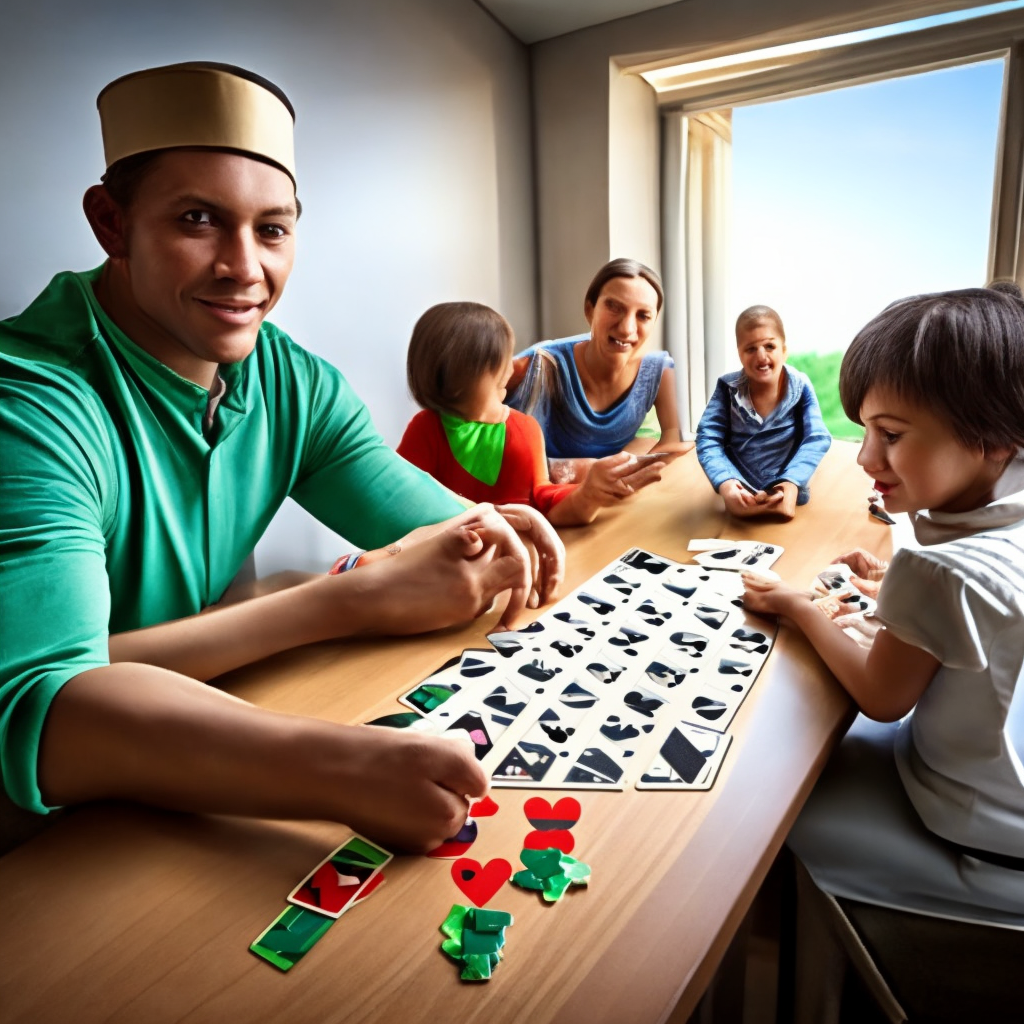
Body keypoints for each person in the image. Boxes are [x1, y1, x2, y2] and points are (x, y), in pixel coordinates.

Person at [0, 62, 565, 855]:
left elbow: (439, 528)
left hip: (194, 775)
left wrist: (499, 527)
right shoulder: (27, 401)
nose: (245, 268)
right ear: (111, 224)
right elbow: (44, 709)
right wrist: (339, 608)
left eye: (272, 229)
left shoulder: (289, 379)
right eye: (198, 219)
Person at [742, 288, 1024, 927]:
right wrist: (893, 586)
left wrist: (798, 607)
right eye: (867, 430)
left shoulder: (937, 570)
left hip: (978, 822)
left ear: (996, 439)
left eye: (891, 434)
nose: (866, 457)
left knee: (767, 782)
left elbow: (882, 696)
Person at [397, 301, 667, 526]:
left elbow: (544, 501)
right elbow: (403, 503)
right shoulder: (426, 429)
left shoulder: (525, 429)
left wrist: (589, 496)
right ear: (455, 375)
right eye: (496, 363)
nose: (508, 369)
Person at [504, 258, 692, 481]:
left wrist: (627, 474)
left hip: (606, 500)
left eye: (643, 315)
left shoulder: (658, 370)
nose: (626, 328)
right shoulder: (538, 364)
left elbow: (674, 441)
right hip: (536, 498)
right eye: (614, 307)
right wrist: (590, 470)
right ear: (589, 309)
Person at [695, 305, 831, 520]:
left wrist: (792, 482)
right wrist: (726, 483)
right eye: (750, 349)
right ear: (739, 354)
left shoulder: (801, 385)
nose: (761, 356)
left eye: (769, 346)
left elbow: (817, 437)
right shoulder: (727, 388)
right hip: (740, 486)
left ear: (784, 351)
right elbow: (708, 438)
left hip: (789, 488)